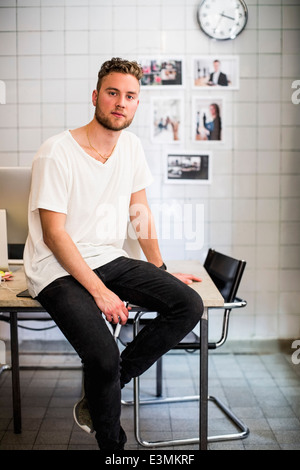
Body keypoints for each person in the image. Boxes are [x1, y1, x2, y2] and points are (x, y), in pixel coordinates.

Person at [23, 57, 203, 451]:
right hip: (56, 268)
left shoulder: (132, 147)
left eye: (130, 96)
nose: (120, 102)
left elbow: (140, 214)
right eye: (112, 93)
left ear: (137, 104)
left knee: (187, 304)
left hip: (107, 256)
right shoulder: (56, 152)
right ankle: (113, 449)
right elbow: (55, 236)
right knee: (102, 356)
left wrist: (161, 270)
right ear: (96, 96)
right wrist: (100, 293)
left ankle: (103, 391)